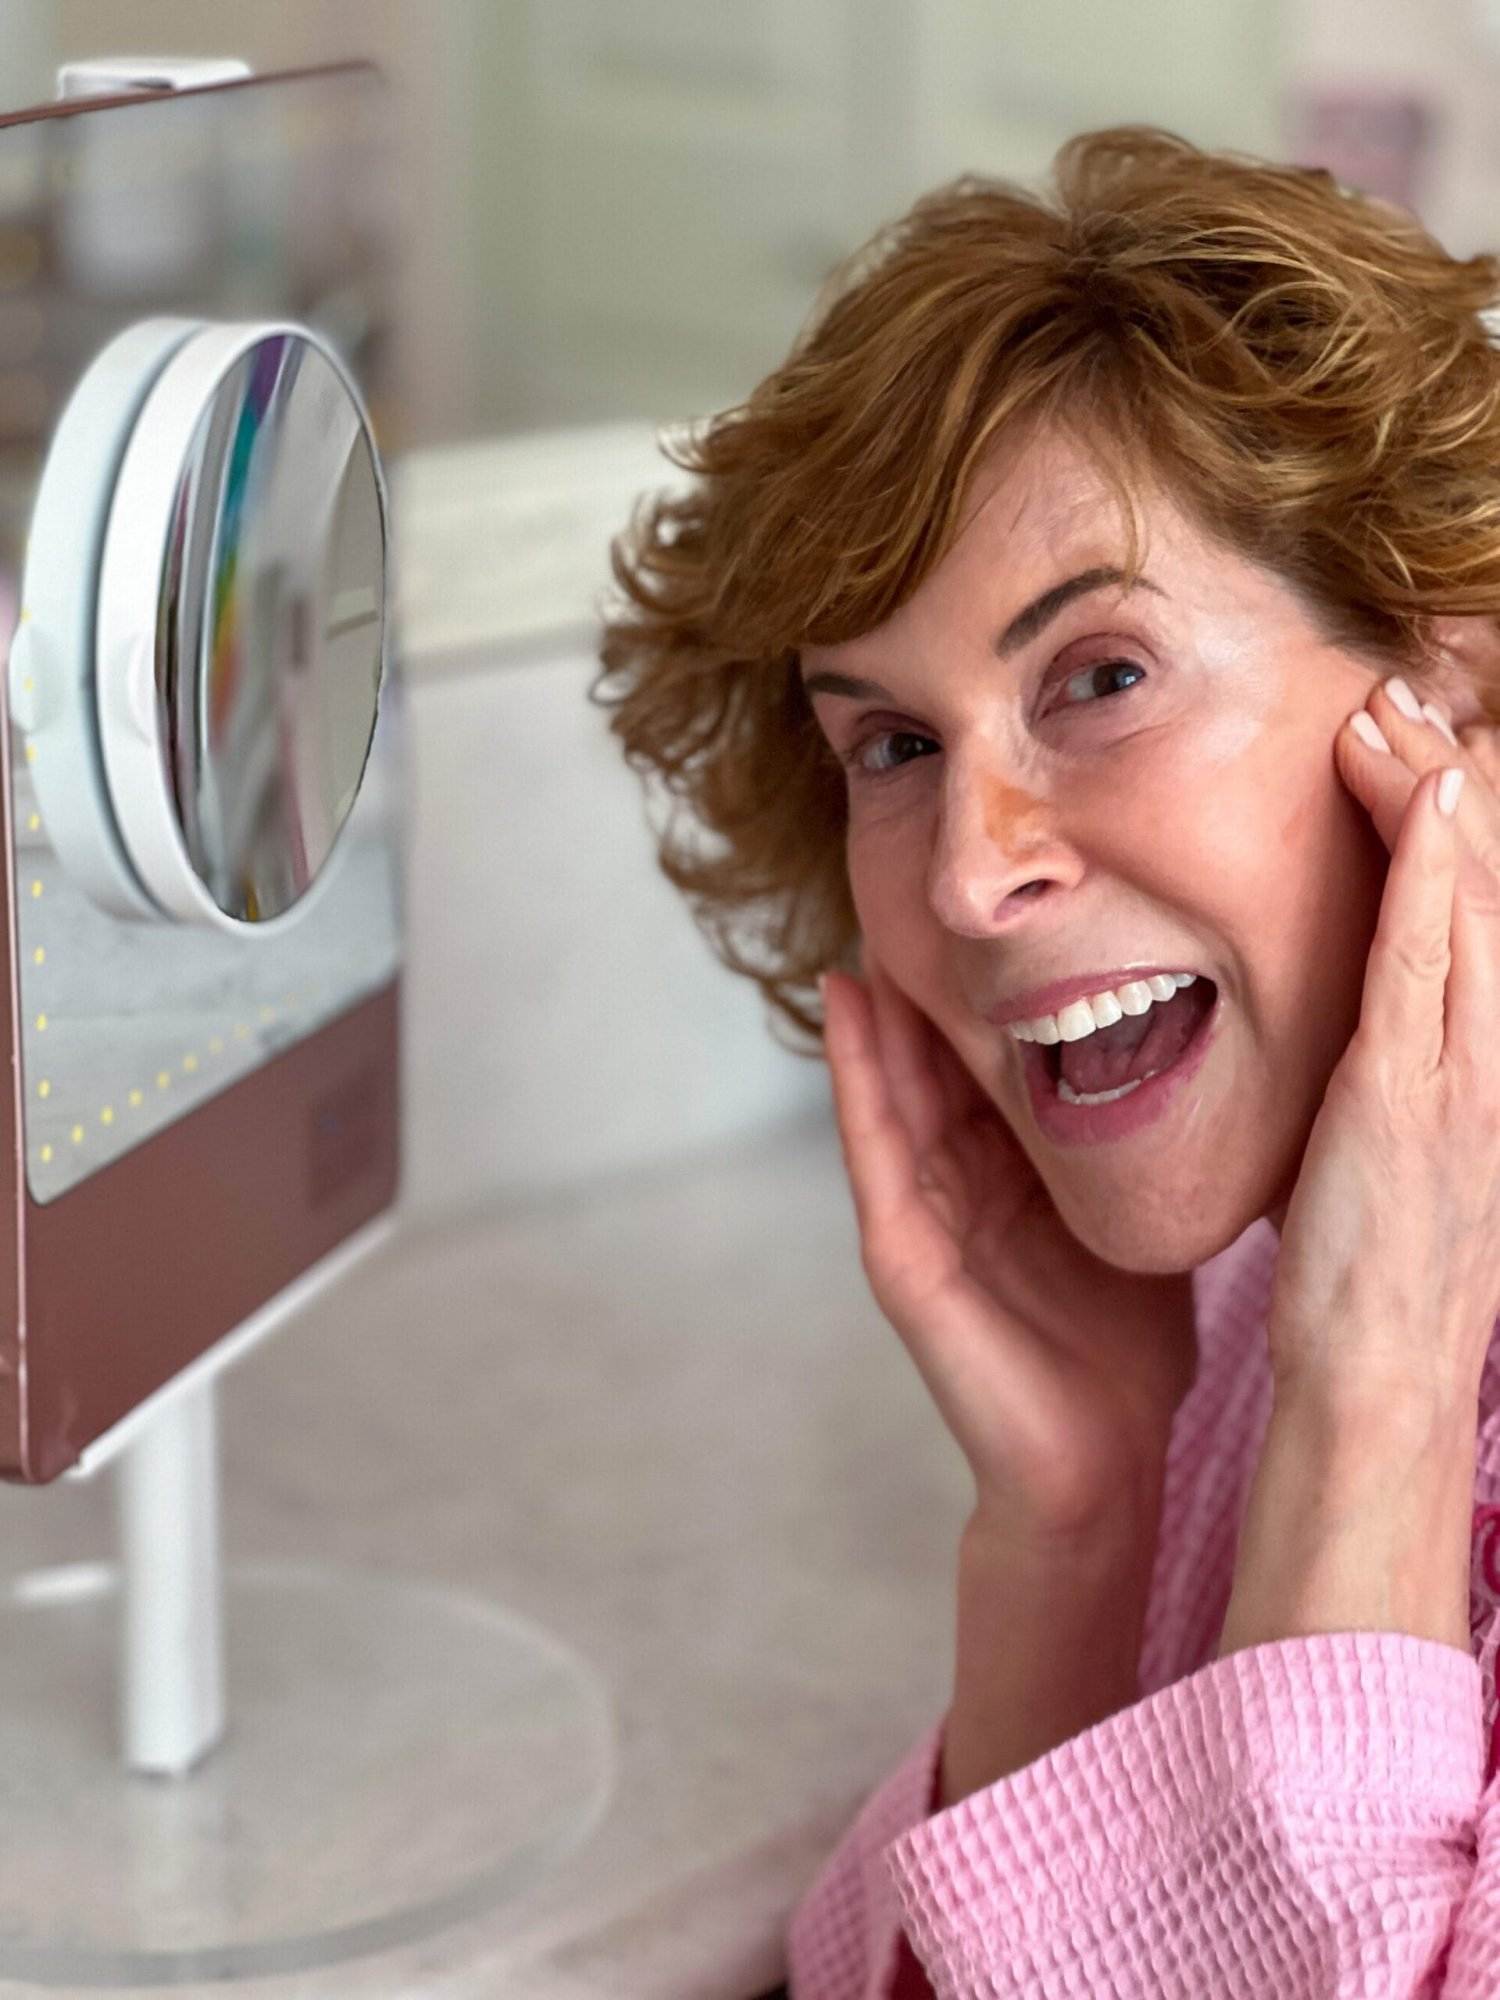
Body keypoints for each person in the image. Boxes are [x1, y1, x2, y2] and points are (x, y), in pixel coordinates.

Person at [592, 125, 1500, 1996]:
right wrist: (1076, 1529)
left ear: (1450, 689)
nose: (972, 874)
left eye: (1099, 676)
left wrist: (1382, 1420)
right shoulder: (1266, 1281)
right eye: (892, 747)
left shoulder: (1371, 1326)